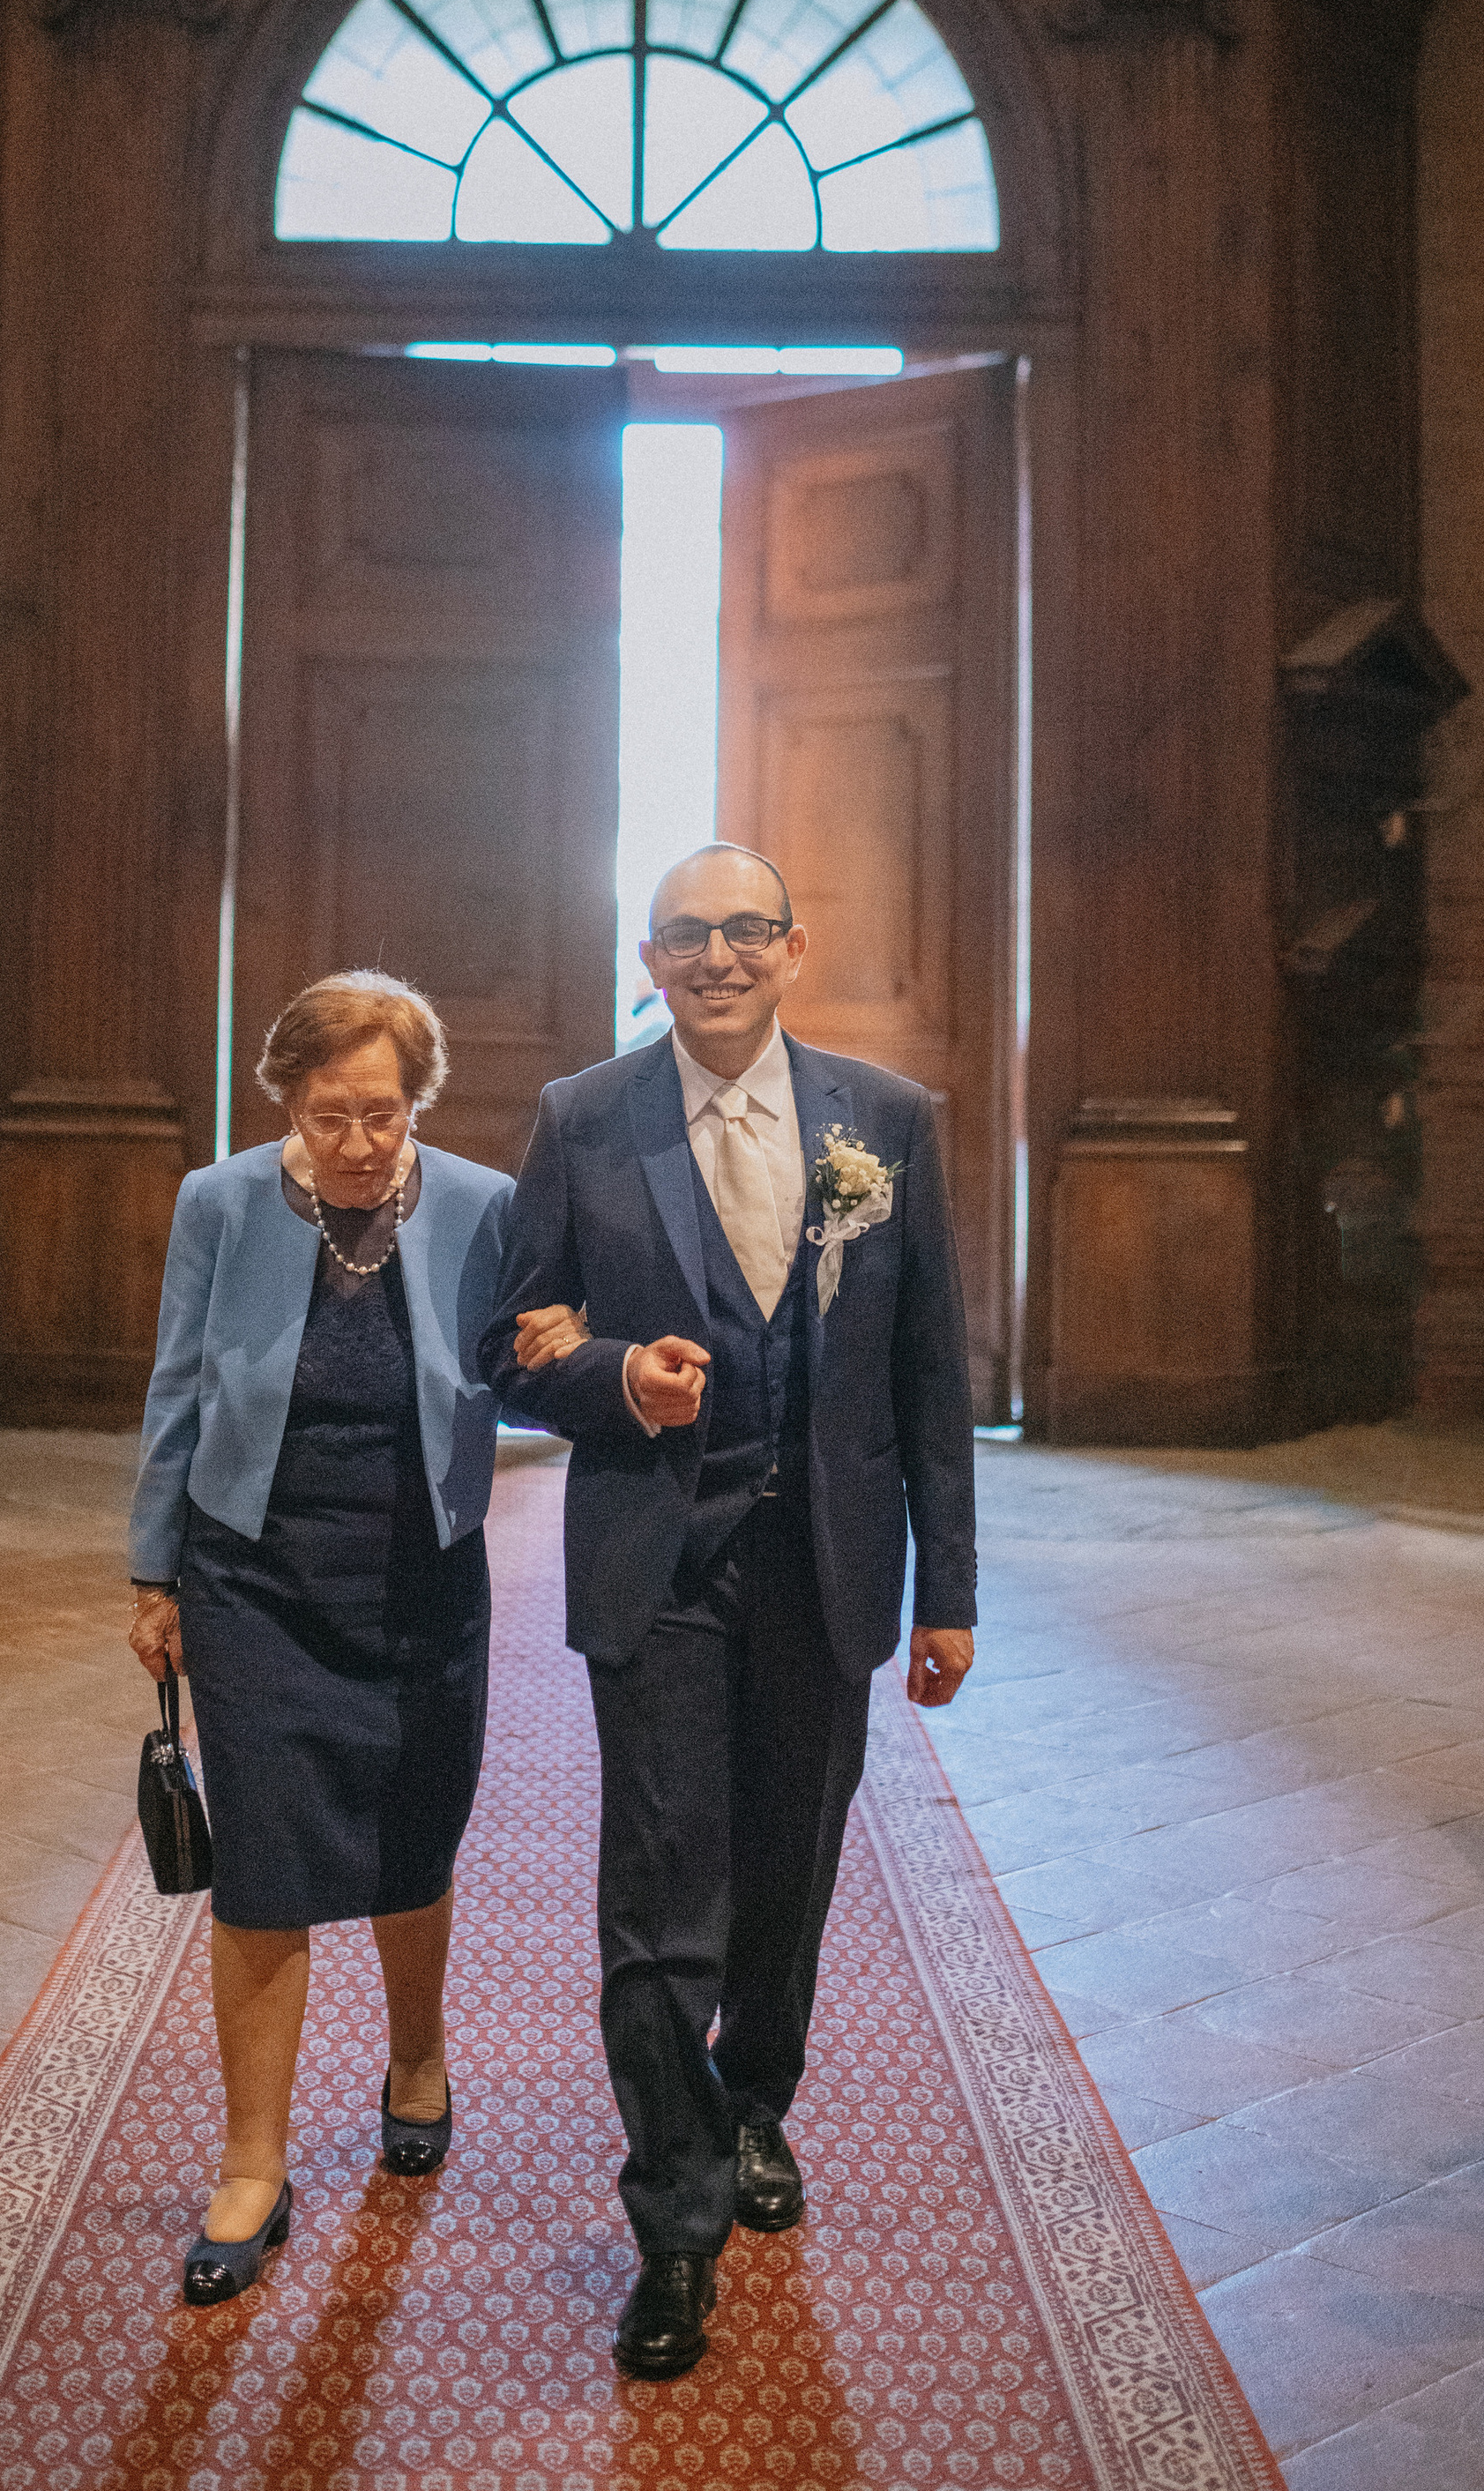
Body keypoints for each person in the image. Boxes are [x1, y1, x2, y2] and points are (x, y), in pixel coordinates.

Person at [484, 844, 976, 2381]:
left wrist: (948, 1591)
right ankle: (676, 2221)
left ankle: (752, 2100)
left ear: (791, 947)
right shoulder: (583, 1117)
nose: (715, 956)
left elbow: (930, 1378)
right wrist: (606, 1377)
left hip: (829, 1562)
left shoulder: (884, 1125)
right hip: (661, 1563)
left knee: (789, 1870)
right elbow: (504, 1342)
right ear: (650, 953)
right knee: (659, 1894)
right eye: (686, 935)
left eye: (742, 931)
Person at [127, 969, 513, 2307]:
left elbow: (522, 1363)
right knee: (268, 1865)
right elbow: (177, 1386)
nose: (360, 1142)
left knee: (416, 1831)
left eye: (387, 1114)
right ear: (286, 1097)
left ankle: (417, 2060)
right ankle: (253, 2163)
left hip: (420, 1576)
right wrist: (154, 1570)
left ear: (418, 1106)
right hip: (257, 1578)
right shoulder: (219, 1204)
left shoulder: (479, 1206)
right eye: (333, 1112)